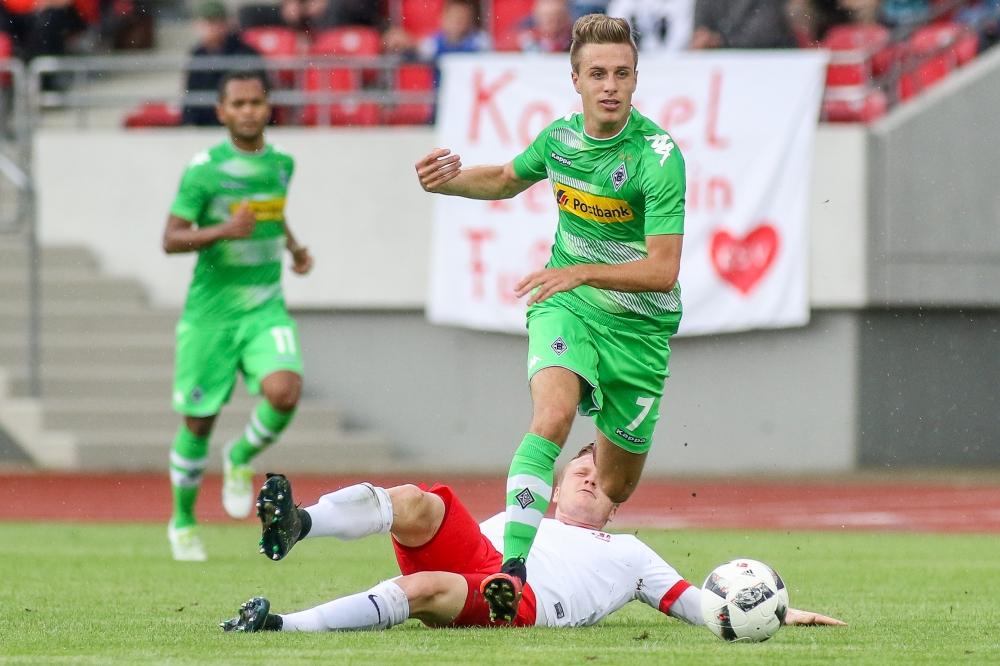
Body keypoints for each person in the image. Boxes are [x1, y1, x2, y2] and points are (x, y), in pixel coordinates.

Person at [415, 14, 685, 623]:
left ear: (636, 78)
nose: (610, 86)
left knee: (614, 486)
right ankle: (512, 569)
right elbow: (506, 178)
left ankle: (568, 553)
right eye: (598, 74)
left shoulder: (658, 157)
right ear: (575, 79)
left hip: (639, 330)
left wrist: (585, 270)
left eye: (621, 74)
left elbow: (663, 270)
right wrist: (449, 182)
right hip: (566, 303)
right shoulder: (560, 139)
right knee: (554, 416)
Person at [220, 445, 848, 632]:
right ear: (555, 487)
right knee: (419, 500)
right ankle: (299, 523)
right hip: (492, 556)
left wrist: (777, 613)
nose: (589, 476)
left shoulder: (631, 554)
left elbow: (701, 605)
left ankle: (281, 627)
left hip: (523, 597)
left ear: (616, 502)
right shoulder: (526, 518)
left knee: (426, 589)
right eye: (580, 469)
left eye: (602, 478)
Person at [162, 69, 314, 561]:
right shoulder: (203, 170)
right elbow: (171, 238)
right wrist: (224, 230)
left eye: (256, 102)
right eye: (238, 104)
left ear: (268, 107)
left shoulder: (282, 163)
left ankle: (240, 456)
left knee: (284, 390)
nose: (248, 111)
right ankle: (183, 522)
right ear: (222, 112)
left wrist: (294, 247)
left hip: (265, 307)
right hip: (210, 316)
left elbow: (272, 210)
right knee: (198, 422)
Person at [180, 0, 261, 127]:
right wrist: (188, 124)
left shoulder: (245, 52)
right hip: (205, 125)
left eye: (217, 22)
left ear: (227, 23)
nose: (212, 27)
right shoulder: (197, 54)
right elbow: (191, 94)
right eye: (208, 22)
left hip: (239, 124)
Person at [690, 0, 798, 49]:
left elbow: (762, 34)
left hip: (769, 67)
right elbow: (700, 29)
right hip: (722, 69)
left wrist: (718, 41)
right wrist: (703, 40)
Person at [417, 0, 491, 63]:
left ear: (470, 21)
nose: (458, 23)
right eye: (454, 18)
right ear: (443, 18)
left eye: (463, 19)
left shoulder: (479, 42)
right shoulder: (433, 43)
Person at [606, 0, 695, 51]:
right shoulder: (622, 3)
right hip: (635, 62)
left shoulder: (681, 3)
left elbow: (681, 37)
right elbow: (616, 34)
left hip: (672, 63)